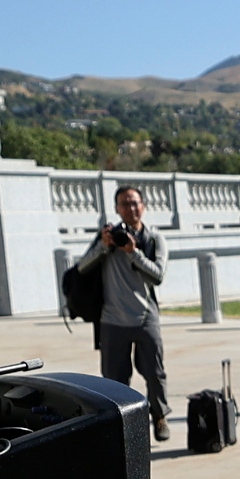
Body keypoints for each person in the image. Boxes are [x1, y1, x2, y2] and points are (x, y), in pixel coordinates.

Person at [75, 184, 171, 442]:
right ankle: (120, 424)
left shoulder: (153, 239)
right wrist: (103, 247)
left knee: (155, 372)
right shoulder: (107, 237)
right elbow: (82, 268)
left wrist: (133, 253)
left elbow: (158, 275)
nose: (130, 208)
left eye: (134, 203)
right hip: (112, 320)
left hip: (145, 317)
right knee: (114, 380)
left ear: (143, 206)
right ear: (117, 209)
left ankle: (159, 416)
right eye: (124, 204)